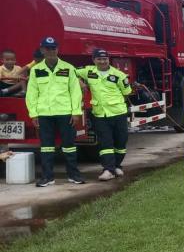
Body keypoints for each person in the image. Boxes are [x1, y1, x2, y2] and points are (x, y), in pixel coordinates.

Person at [25, 37, 85, 187]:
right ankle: (47, 177)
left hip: (65, 113)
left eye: (53, 48)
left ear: (57, 49)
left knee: (69, 145)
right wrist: (33, 114)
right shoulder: (36, 70)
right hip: (44, 114)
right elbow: (31, 93)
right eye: (47, 48)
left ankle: (73, 175)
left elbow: (75, 91)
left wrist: (76, 112)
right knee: (46, 146)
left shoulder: (68, 68)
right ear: (42, 50)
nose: (51, 51)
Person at [76, 49, 133, 181]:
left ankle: (117, 165)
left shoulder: (119, 75)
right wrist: (80, 82)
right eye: (99, 59)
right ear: (93, 60)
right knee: (105, 143)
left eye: (105, 59)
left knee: (120, 142)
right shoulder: (89, 71)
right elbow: (71, 72)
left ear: (108, 59)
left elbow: (127, 93)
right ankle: (108, 170)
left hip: (118, 113)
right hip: (100, 115)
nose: (102, 62)